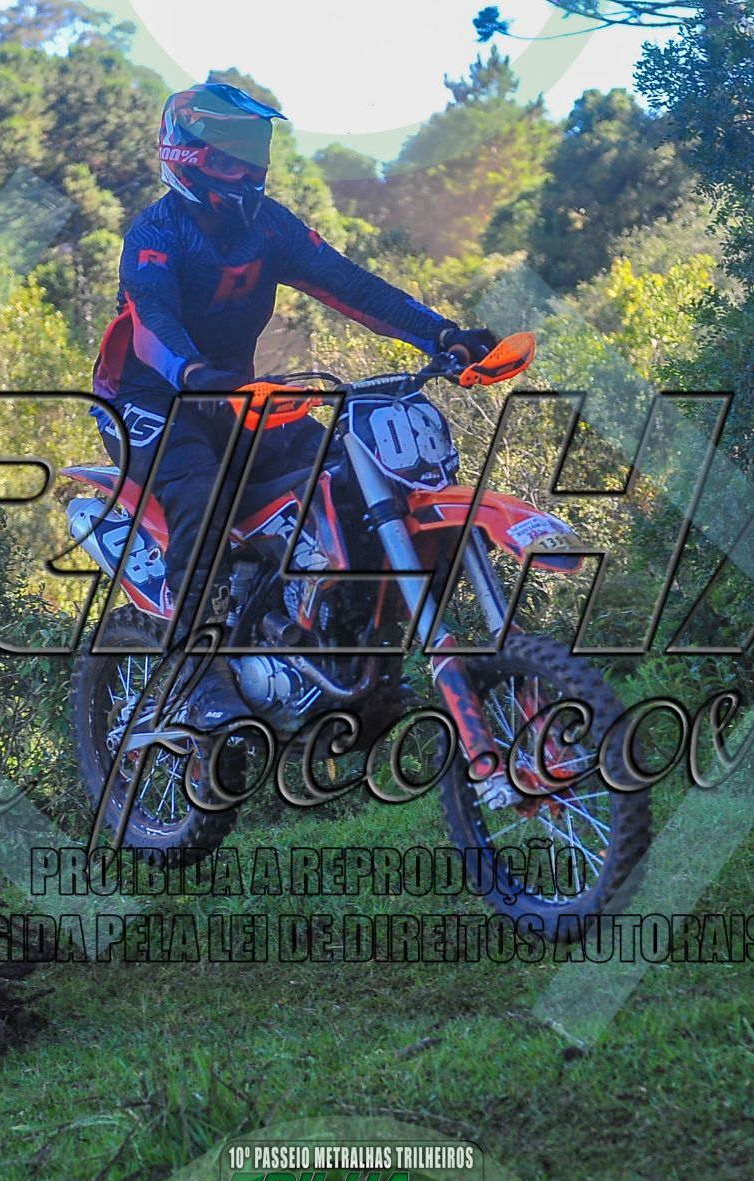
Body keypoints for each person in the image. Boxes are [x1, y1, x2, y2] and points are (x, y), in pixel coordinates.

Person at [91, 81, 498, 728]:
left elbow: (353, 287)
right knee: (199, 490)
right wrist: (194, 373)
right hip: (147, 402)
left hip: (234, 400)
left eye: (255, 149)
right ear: (188, 154)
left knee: (345, 466)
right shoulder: (156, 232)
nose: (247, 166)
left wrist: (443, 335)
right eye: (230, 152)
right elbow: (151, 323)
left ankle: (337, 643)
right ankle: (198, 679)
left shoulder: (269, 226)